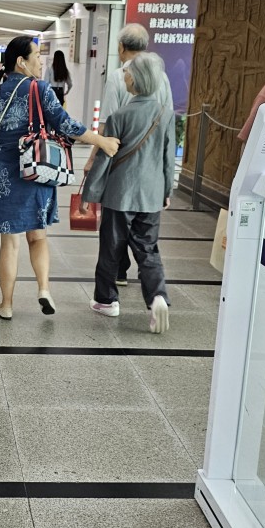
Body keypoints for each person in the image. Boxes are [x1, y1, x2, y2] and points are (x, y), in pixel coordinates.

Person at [0, 36, 120, 321]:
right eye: (36, 55)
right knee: (37, 237)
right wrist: (102, 141)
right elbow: (66, 124)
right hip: (37, 170)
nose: (41, 60)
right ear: (21, 62)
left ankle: (6, 305)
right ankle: (44, 289)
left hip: (5, 176)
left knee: (9, 243)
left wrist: (0, 132)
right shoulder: (40, 88)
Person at [82, 52, 175, 334]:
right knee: (148, 249)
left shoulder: (119, 116)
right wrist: (166, 190)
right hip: (151, 194)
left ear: (135, 79)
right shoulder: (165, 114)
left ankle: (106, 300)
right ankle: (157, 297)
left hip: (119, 195)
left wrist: (89, 194)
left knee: (111, 247)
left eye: (127, 73)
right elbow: (168, 158)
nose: (124, 76)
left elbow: (104, 159)